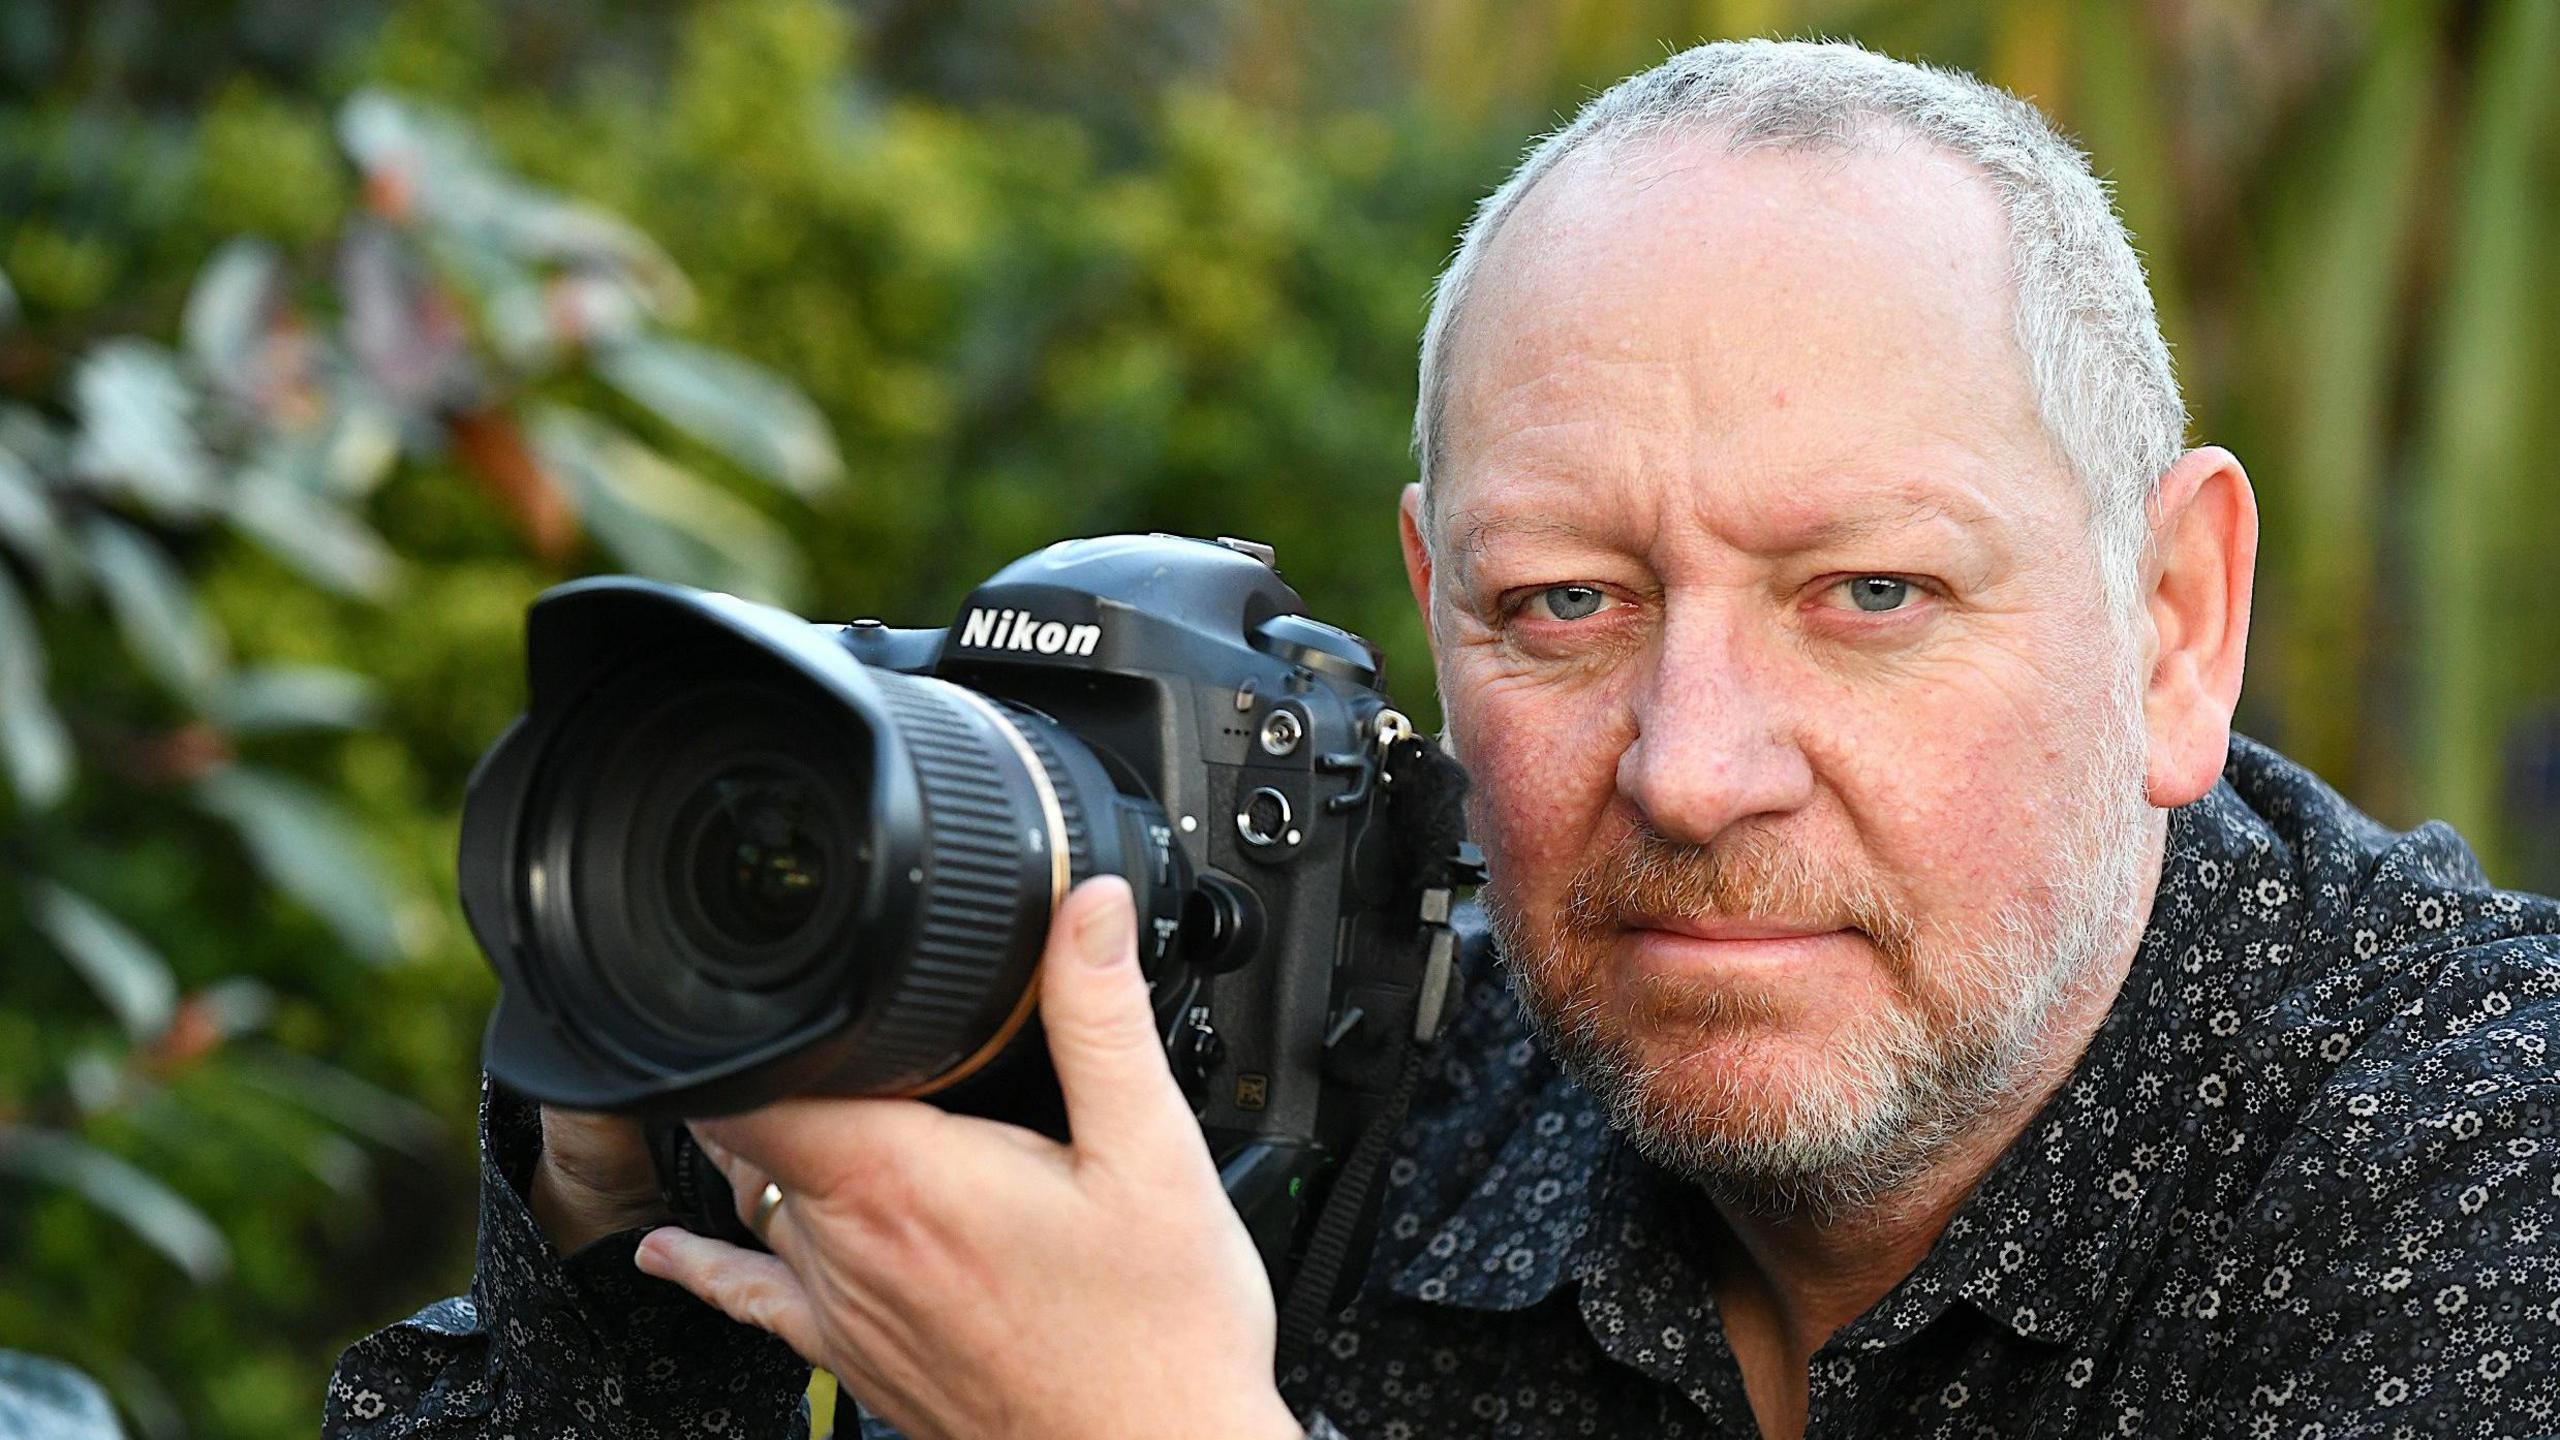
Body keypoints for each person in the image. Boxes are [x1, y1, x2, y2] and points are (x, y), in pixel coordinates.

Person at [328, 37, 2560, 1440]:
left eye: (1863, 594)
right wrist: (634, 1275)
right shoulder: (1366, 1057)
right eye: (1560, 607)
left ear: (2172, 629)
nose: (1688, 770)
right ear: (1424, 606)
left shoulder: (2473, 1164)